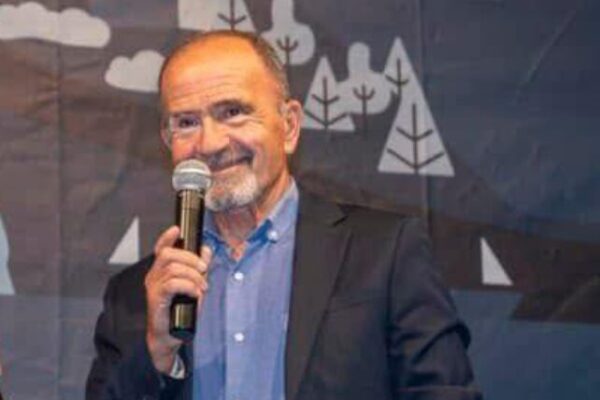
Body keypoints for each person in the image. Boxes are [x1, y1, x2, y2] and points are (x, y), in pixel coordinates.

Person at [86, 30, 481, 400]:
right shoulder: (136, 294)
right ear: (168, 140)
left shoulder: (385, 253)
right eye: (186, 122)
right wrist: (156, 350)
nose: (210, 143)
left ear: (289, 126)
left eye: (233, 112)